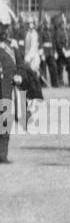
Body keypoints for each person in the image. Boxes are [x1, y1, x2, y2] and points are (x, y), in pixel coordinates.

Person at [0, 22, 22, 164]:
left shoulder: (11, 46)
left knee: (5, 122)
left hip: (7, 88)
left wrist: (18, 75)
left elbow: (19, 64)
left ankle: (2, 154)